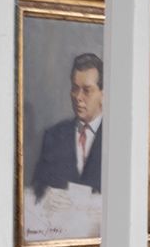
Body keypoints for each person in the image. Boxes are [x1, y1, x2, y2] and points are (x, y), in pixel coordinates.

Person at [29, 49, 106, 196]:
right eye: (75, 88)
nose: (78, 97)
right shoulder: (53, 136)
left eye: (87, 90)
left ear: (103, 94)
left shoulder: (116, 138)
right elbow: (36, 193)